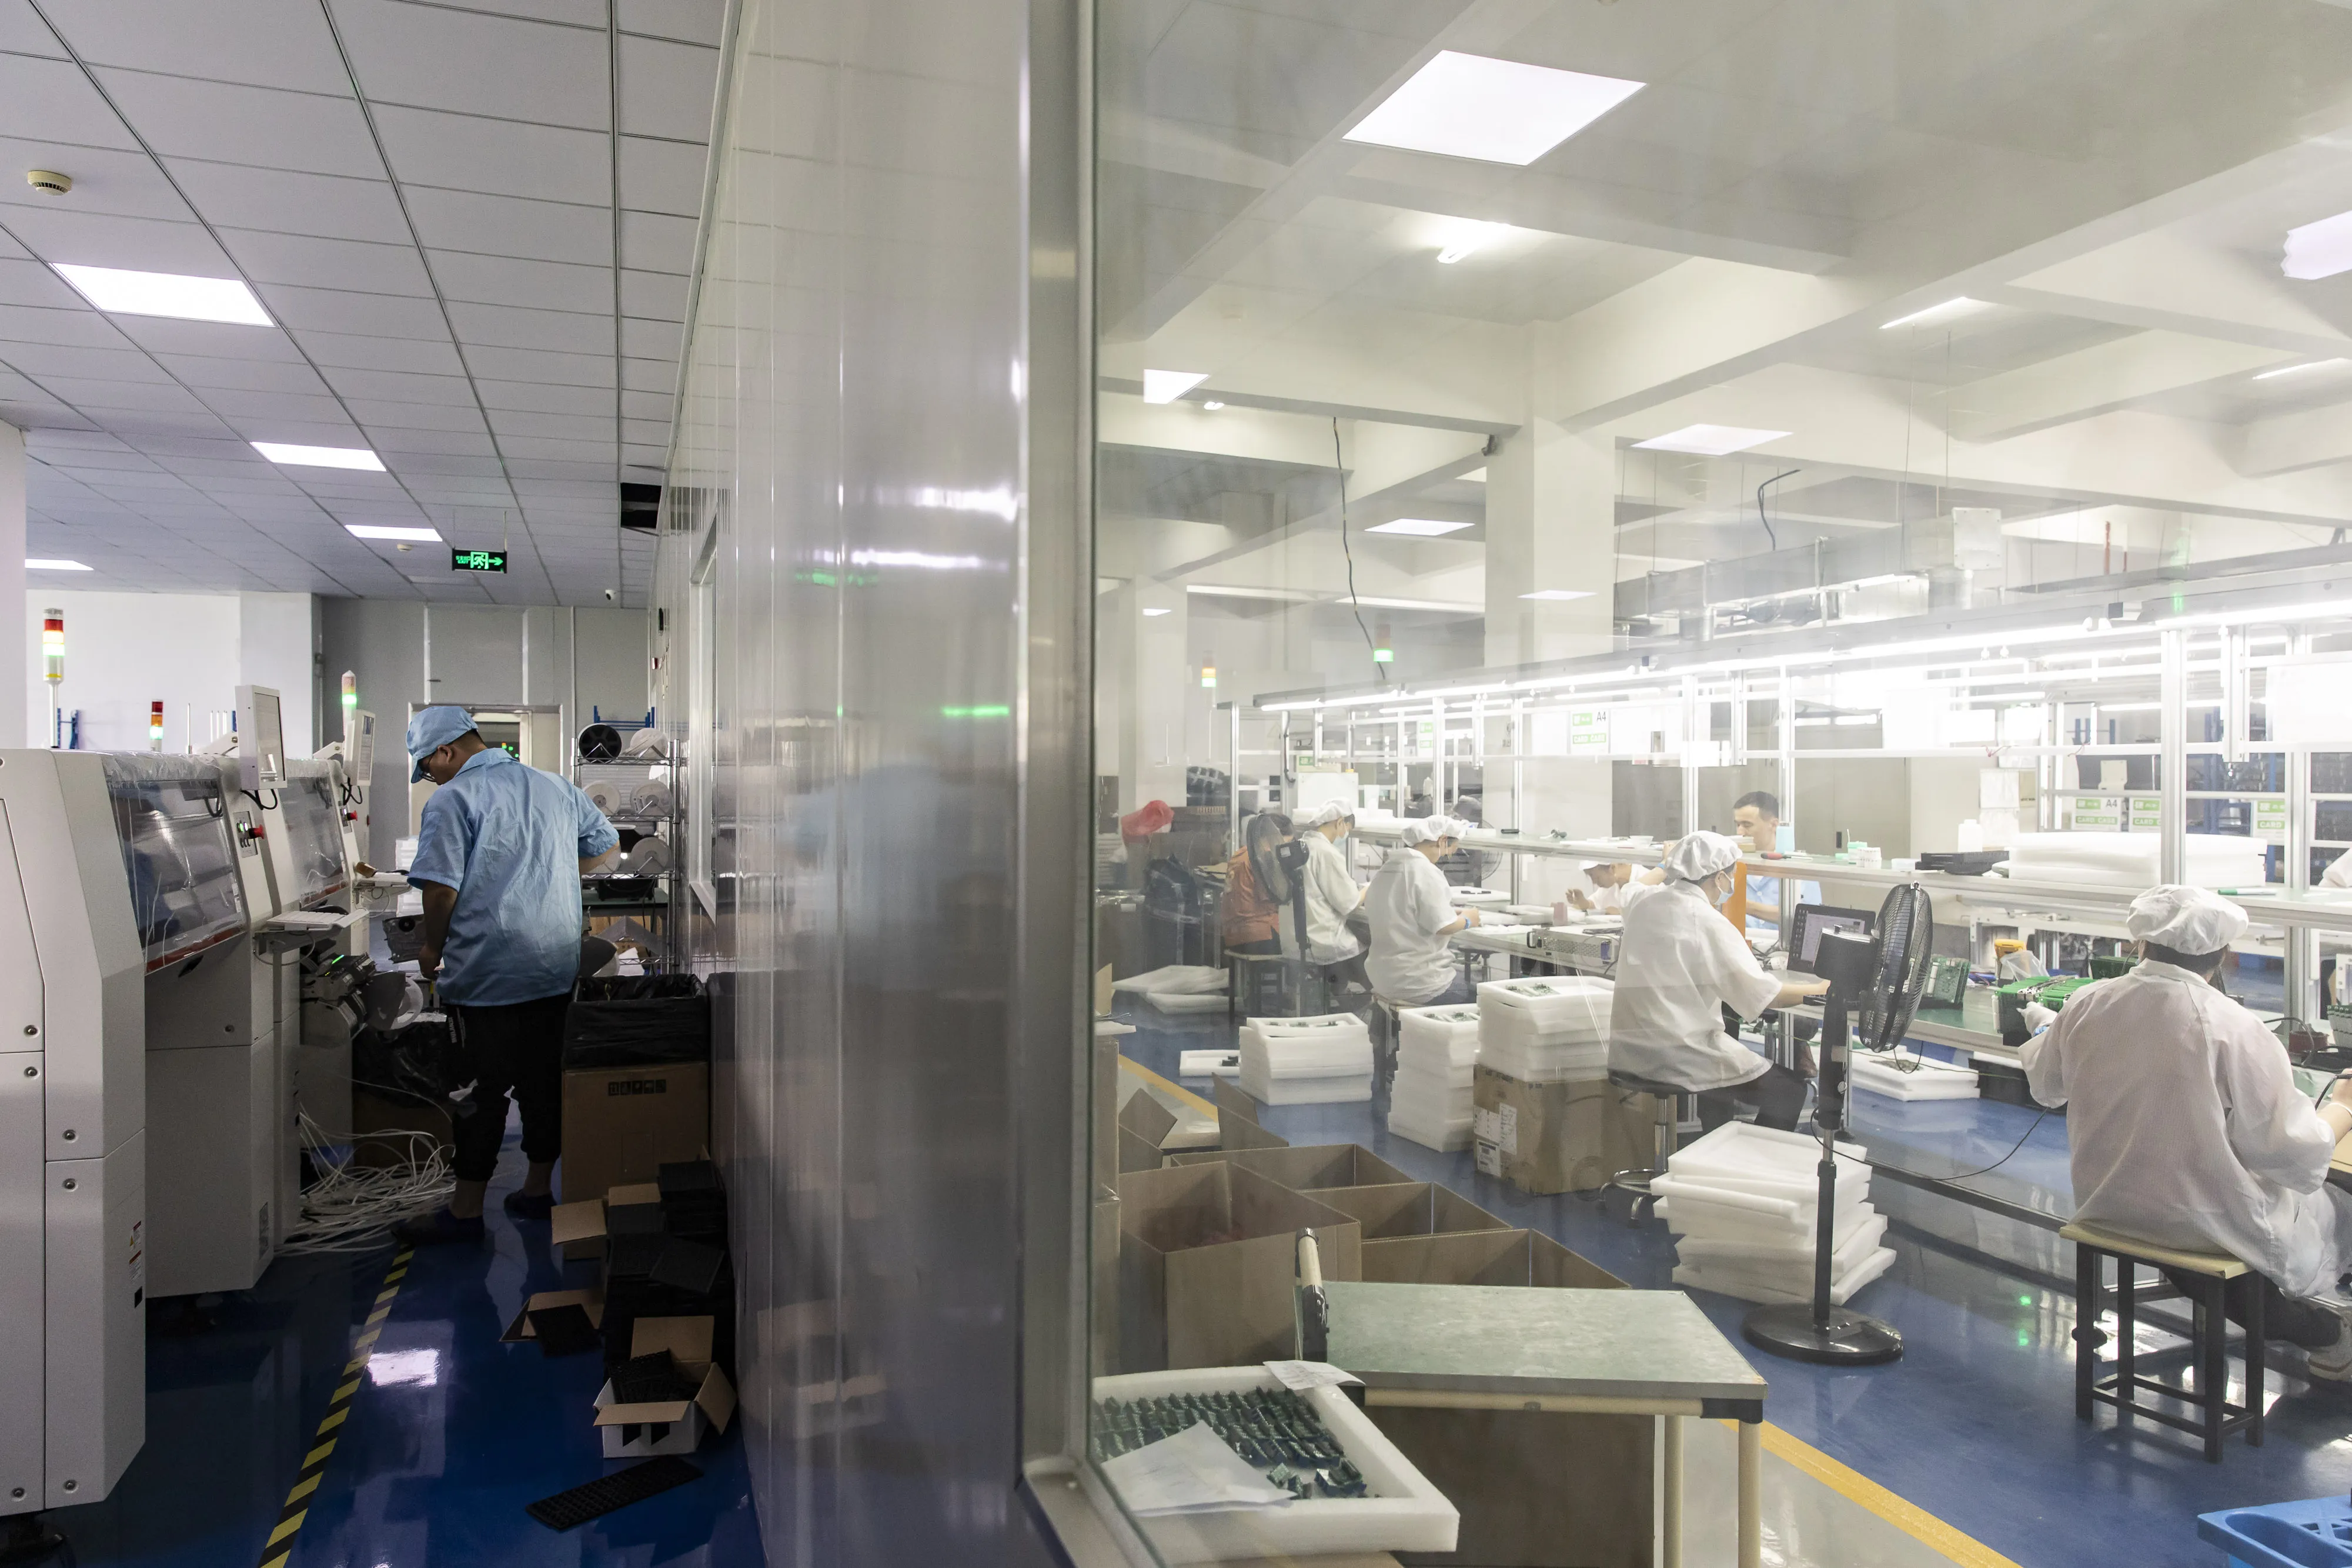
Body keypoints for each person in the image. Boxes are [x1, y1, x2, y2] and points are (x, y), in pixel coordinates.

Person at [2024, 885, 2352, 1378]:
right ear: (2223, 955)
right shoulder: (2234, 1027)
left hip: (2110, 1204)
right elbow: (2293, 1155)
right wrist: (2343, 1107)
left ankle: (2318, 1330)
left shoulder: (2086, 1004)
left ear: (2141, 944)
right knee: (2337, 1200)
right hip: (2205, 1221)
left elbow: (2046, 1087)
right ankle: (2331, 1338)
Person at [392, 707, 621, 1245]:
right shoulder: (554, 786)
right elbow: (608, 849)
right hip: (553, 968)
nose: (433, 777)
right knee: (544, 1084)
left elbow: (441, 889)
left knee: (479, 1091)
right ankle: (537, 1191)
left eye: (428, 767)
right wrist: (556, 868)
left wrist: (430, 944)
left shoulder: (453, 800)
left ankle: (467, 1211)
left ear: (446, 752)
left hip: (488, 974)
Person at [1610, 831, 1829, 1132]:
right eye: (1732, 874)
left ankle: (1713, 1143)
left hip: (1630, 1052)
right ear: (1719, 878)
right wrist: (1817, 991)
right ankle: (1744, 1169)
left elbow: (1630, 890)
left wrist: (1666, 864)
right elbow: (1762, 996)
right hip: (1679, 1054)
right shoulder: (1708, 922)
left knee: (1725, 1054)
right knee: (1789, 1091)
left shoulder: (1644, 903)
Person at [1365, 817, 1481, 1007]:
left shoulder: (1388, 869)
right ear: (1443, 840)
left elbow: (1406, 908)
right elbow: (1444, 926)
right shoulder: (1425, 871)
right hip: (1420, 983)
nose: (1450, 855)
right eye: (1452, 849)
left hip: (1383, 978)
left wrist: (1447, 910)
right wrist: (1469, 919)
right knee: (1487, 999)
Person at [1730, 790, 1819, 941]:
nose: (1740, 832)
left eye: (1747, 825)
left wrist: (1744, 905)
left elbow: (1810, 919)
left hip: (1783, 948)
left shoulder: (1798, 869)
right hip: (1739, 946)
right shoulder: (1732, 866)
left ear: (1774, 825)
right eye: (1738, 825)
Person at [1298, 803, 1367, 964]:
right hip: (1323, 943)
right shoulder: (1326, 852)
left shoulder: (1300, 846)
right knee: (1371, 957)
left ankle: (1336, 989)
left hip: (1294, 943)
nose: (1345, 834)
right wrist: (1368, 889)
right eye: (1347, 828)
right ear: (1340, 822)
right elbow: (1349, 903)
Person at [1221, 812, 1295, 957]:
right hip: (1260, 935)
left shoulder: (1241, 854)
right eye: (1285, 843)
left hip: (1234, 935)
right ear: (1275, 836)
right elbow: (1276, 895)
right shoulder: (1265, 858)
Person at [1567, 860, 1647, 915]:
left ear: (1612, 868)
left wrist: (1621, 913)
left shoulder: (1646, 878)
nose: (1594, 882)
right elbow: (1594, 904)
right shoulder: (1612, 884)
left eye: (1596, 878)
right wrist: (1582, 901)